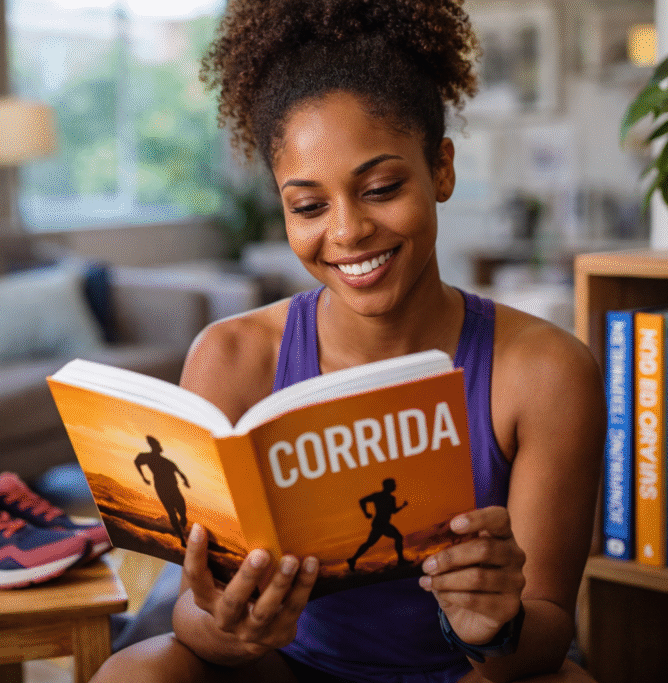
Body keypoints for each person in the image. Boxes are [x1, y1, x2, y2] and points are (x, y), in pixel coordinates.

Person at [90, 1, 605, 681]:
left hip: (466, 675)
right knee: (136, 668)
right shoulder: (232, 357)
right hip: (289, 668)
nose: (348, 230)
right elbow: (191, 611)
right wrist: (229, 625)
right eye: (308, 205)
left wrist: (499, 623)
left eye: (382, 187)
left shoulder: (545, 371)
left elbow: (547, 626)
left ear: (440, 169)